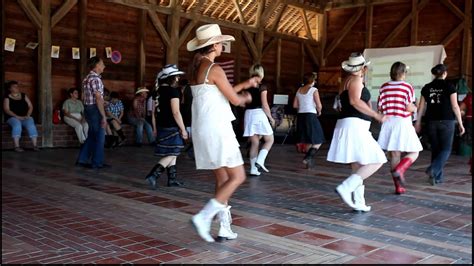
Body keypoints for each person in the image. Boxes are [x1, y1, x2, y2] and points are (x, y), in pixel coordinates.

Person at [186, 24, 260, 242]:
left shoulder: (199, 69)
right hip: (217, 128)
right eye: (220, 42)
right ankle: (204, 217)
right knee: (238, 176)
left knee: (223, 179)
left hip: (203, 129)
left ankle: (224, 227)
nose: (222, 45)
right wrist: (246, 97)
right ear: (214, 45)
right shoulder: (215, 69)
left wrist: (244, 84)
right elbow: (234, 99)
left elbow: (217, 94)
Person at [327, 53, 388, 212]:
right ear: (363, 67)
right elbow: (354, 101)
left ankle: (359, 202)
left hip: (349, 124)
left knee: (358, 164)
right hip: (355, 125)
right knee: (378, 159)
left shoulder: (346, 81)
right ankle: (346, 187)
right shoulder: (355, 80)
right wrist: (375, 115)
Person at [377, 62, 423, 194]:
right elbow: (409, 107)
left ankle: (398, 187)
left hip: (388, 122)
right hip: (402, 122)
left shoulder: (384, 87)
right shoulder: (407, 86)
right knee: (415, 151)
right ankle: (401, 169)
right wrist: (416, 108)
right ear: (403, 73)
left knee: (394, 155)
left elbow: (380, 107)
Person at [415, 64, 465, 185]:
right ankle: (433, 170)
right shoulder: (449, 86)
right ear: (444, 73)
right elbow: (455, 106)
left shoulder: (427, 87)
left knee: (436, 149)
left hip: (431, 121)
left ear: (434, 74)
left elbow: (421, 107)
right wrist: (460, 123)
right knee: (446, 149)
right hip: (447, 121)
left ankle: (436, 177)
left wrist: (417, 122)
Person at [145, 64, 187, 189]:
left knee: (172, 152)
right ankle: (153, 175)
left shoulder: (156, 92)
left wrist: (154, 128)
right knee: (173, 152)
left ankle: (172, 179)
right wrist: (183, 129)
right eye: (177, 76)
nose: (178, 78)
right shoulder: (173, 91)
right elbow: (176, 112)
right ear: (172, 78)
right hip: (171, 127)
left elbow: (153, 113)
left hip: (161, 125)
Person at [76, 56, 109, 169]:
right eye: (102, 63)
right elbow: (98, 98)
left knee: (91, 135)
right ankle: (97, 162)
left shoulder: (87, 78)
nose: (104, 66)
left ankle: (82, 159)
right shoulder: (96, 79)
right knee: (100, 136)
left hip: (88, 108)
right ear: (97, 65)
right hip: (95, 109)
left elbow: (84, 96)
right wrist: (104, 116)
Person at [243, 64, 275, 176]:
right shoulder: (262, 86)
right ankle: (260, 161)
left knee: (255, 142)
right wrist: (270, 117)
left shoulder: (246, 85)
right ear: (261, 73)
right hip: (258, 113)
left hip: (248, 114)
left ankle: (253, 169)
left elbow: (243, 103)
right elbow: (264, 104)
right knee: (270, 139)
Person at [293, 72, 324, 169]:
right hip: (311, 116)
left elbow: (294, 105)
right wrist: (319, 111)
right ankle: (308, 157)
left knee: (307, 140)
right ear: (312, 81)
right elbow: (319, 105)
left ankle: (308, 162)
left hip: (301, 116)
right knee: (319, 139)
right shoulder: (314, 90)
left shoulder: (299, 90)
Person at [3, 80, 40, 152]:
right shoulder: (7, 97)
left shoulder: (23, 95)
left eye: (17, 86)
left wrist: (28, 114)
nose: (17, 87)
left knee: (31, 124)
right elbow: (6, 110)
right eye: (14, 86)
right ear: (9, 89)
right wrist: (17, 116)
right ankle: (17, 147)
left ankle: (35, 145)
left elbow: (30, 106)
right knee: (17, 125)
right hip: (12, 117)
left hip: (25, 116)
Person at [179, 78, 195, 159]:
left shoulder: (187, 90)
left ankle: (190, 147)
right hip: (188, 112)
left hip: (188, 113)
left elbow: (186, 103)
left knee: (189, 129)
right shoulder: (188, 89)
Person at [460, 92, 472, 173]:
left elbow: (462, 109)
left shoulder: (469, 97)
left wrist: (461, 114)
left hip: (469, 122)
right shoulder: (469, 97)